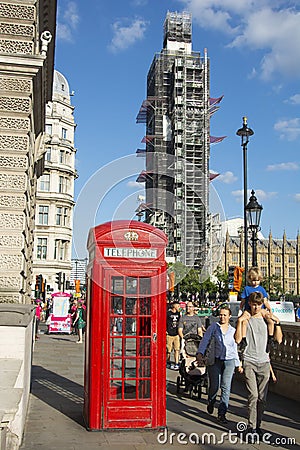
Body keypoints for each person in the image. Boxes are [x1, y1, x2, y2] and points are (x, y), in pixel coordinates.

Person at [235, 291, 282, 438]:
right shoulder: (246, 319)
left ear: (262, 304)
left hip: (264, 362)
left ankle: (258, 425)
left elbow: (279, 340)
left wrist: (277, 322)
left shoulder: (266, 319)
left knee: (262, 399)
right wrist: (240, 321)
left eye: (258, 304)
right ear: (250, 304)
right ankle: (251, 427)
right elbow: (237, 340)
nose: (256, 307)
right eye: (253, 304)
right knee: (253, 396)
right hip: (249, 361)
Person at [196, 306, 242, 423]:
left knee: (226, 387)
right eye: (221, 315)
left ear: (229, 316)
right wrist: (200, 353)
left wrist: (238, 364)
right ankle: (211, 400)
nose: (222, 317)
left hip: (229, 360)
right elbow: (205, 340)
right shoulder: (213, 327)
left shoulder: (233, 330)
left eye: (225, 315)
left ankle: (222, 412)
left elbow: (235, 348)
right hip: (215, 359)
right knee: (214, 386)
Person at [239, 267, 275, 353]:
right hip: (248, 309)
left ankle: (270, 338)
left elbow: (265, 301)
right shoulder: (247, 289)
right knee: (244, 322)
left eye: (257, 280)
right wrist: (240, 309)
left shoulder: (262, 289)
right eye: (253, 280)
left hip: (260, 309)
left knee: (270, 321)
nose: (255, 282)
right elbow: (243, 301)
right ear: (249, 279)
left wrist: (269, 309)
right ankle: (243, 340)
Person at [166, 301, 181, 370]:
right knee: (168, 350)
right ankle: (167, 361)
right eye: (178, 306)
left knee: (177, 349)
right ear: (174, 306)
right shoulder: (168, 313)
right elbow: (164, 322)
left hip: (176, 334)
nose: (179, 307)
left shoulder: (178, 313)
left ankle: (176, 363)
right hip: (169, 334)